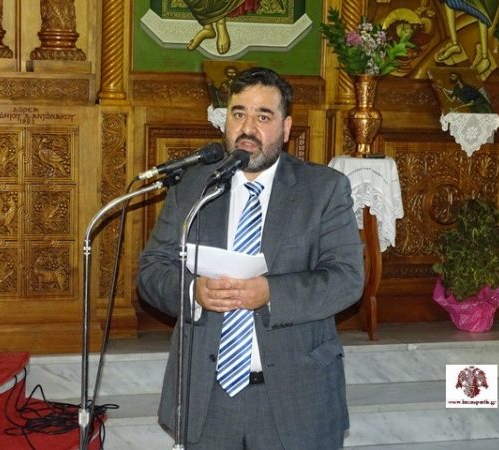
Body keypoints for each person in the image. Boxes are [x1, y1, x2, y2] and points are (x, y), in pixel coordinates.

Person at [137, 67, 364, 449]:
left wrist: (271, 293)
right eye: (239, 113)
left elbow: (347, 279)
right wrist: (194, 292)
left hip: (295, 396)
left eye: (263, 116)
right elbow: (152, 270)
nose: (248, 127)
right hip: (207, 397)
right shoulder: (193, 186)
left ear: (286, 128)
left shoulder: (323, 189)